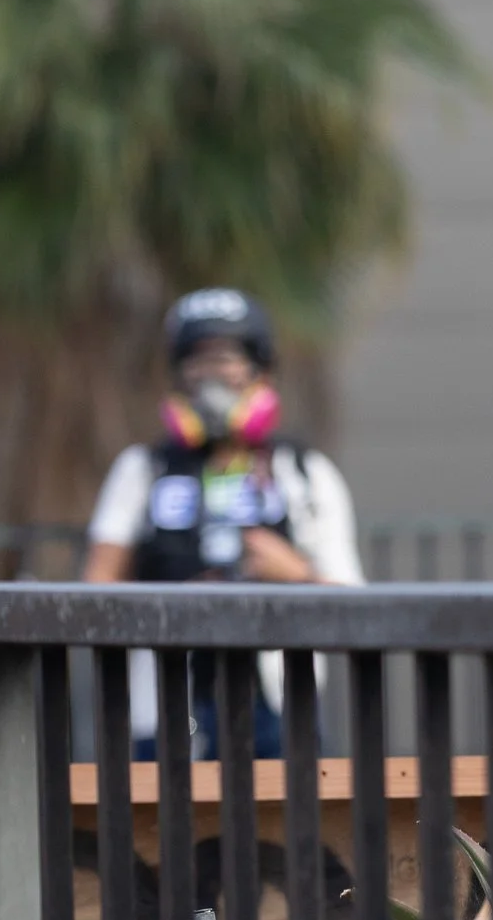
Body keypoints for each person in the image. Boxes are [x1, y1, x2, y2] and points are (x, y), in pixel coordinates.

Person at [85, 288, 365, 757]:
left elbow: (358, 610)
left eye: (228, 360)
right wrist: (167, 606)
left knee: (288, 828)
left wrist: (295, 574)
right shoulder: (143, 469)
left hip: (280, 702)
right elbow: (95, 587)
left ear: (261, 372)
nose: (212, 378)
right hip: (168, 703)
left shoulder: (303, 473)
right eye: (197, 362)